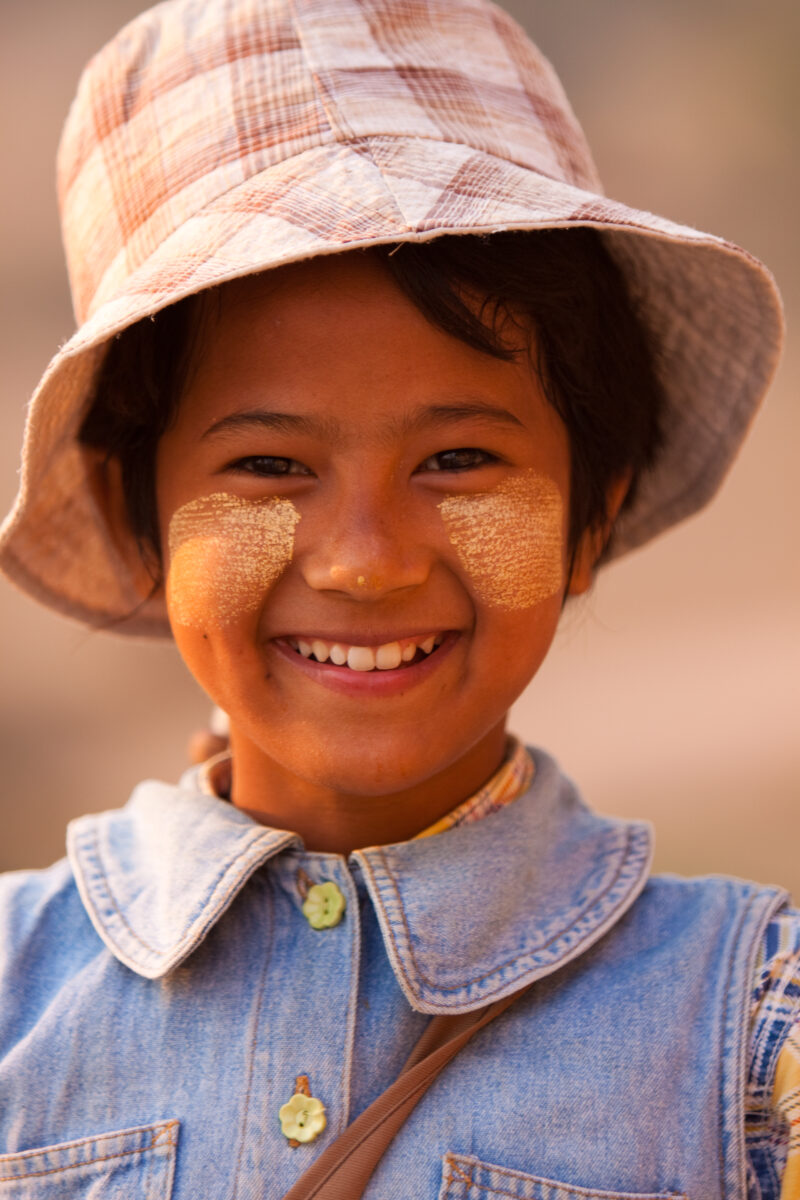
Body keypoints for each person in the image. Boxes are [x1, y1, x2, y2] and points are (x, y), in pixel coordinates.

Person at [0, 1, 796, 1197]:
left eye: (457, 461)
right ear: (136, 518)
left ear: (589, 510)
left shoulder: (751, 1026)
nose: (364, 561)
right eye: (267, 466)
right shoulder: (14, 992)